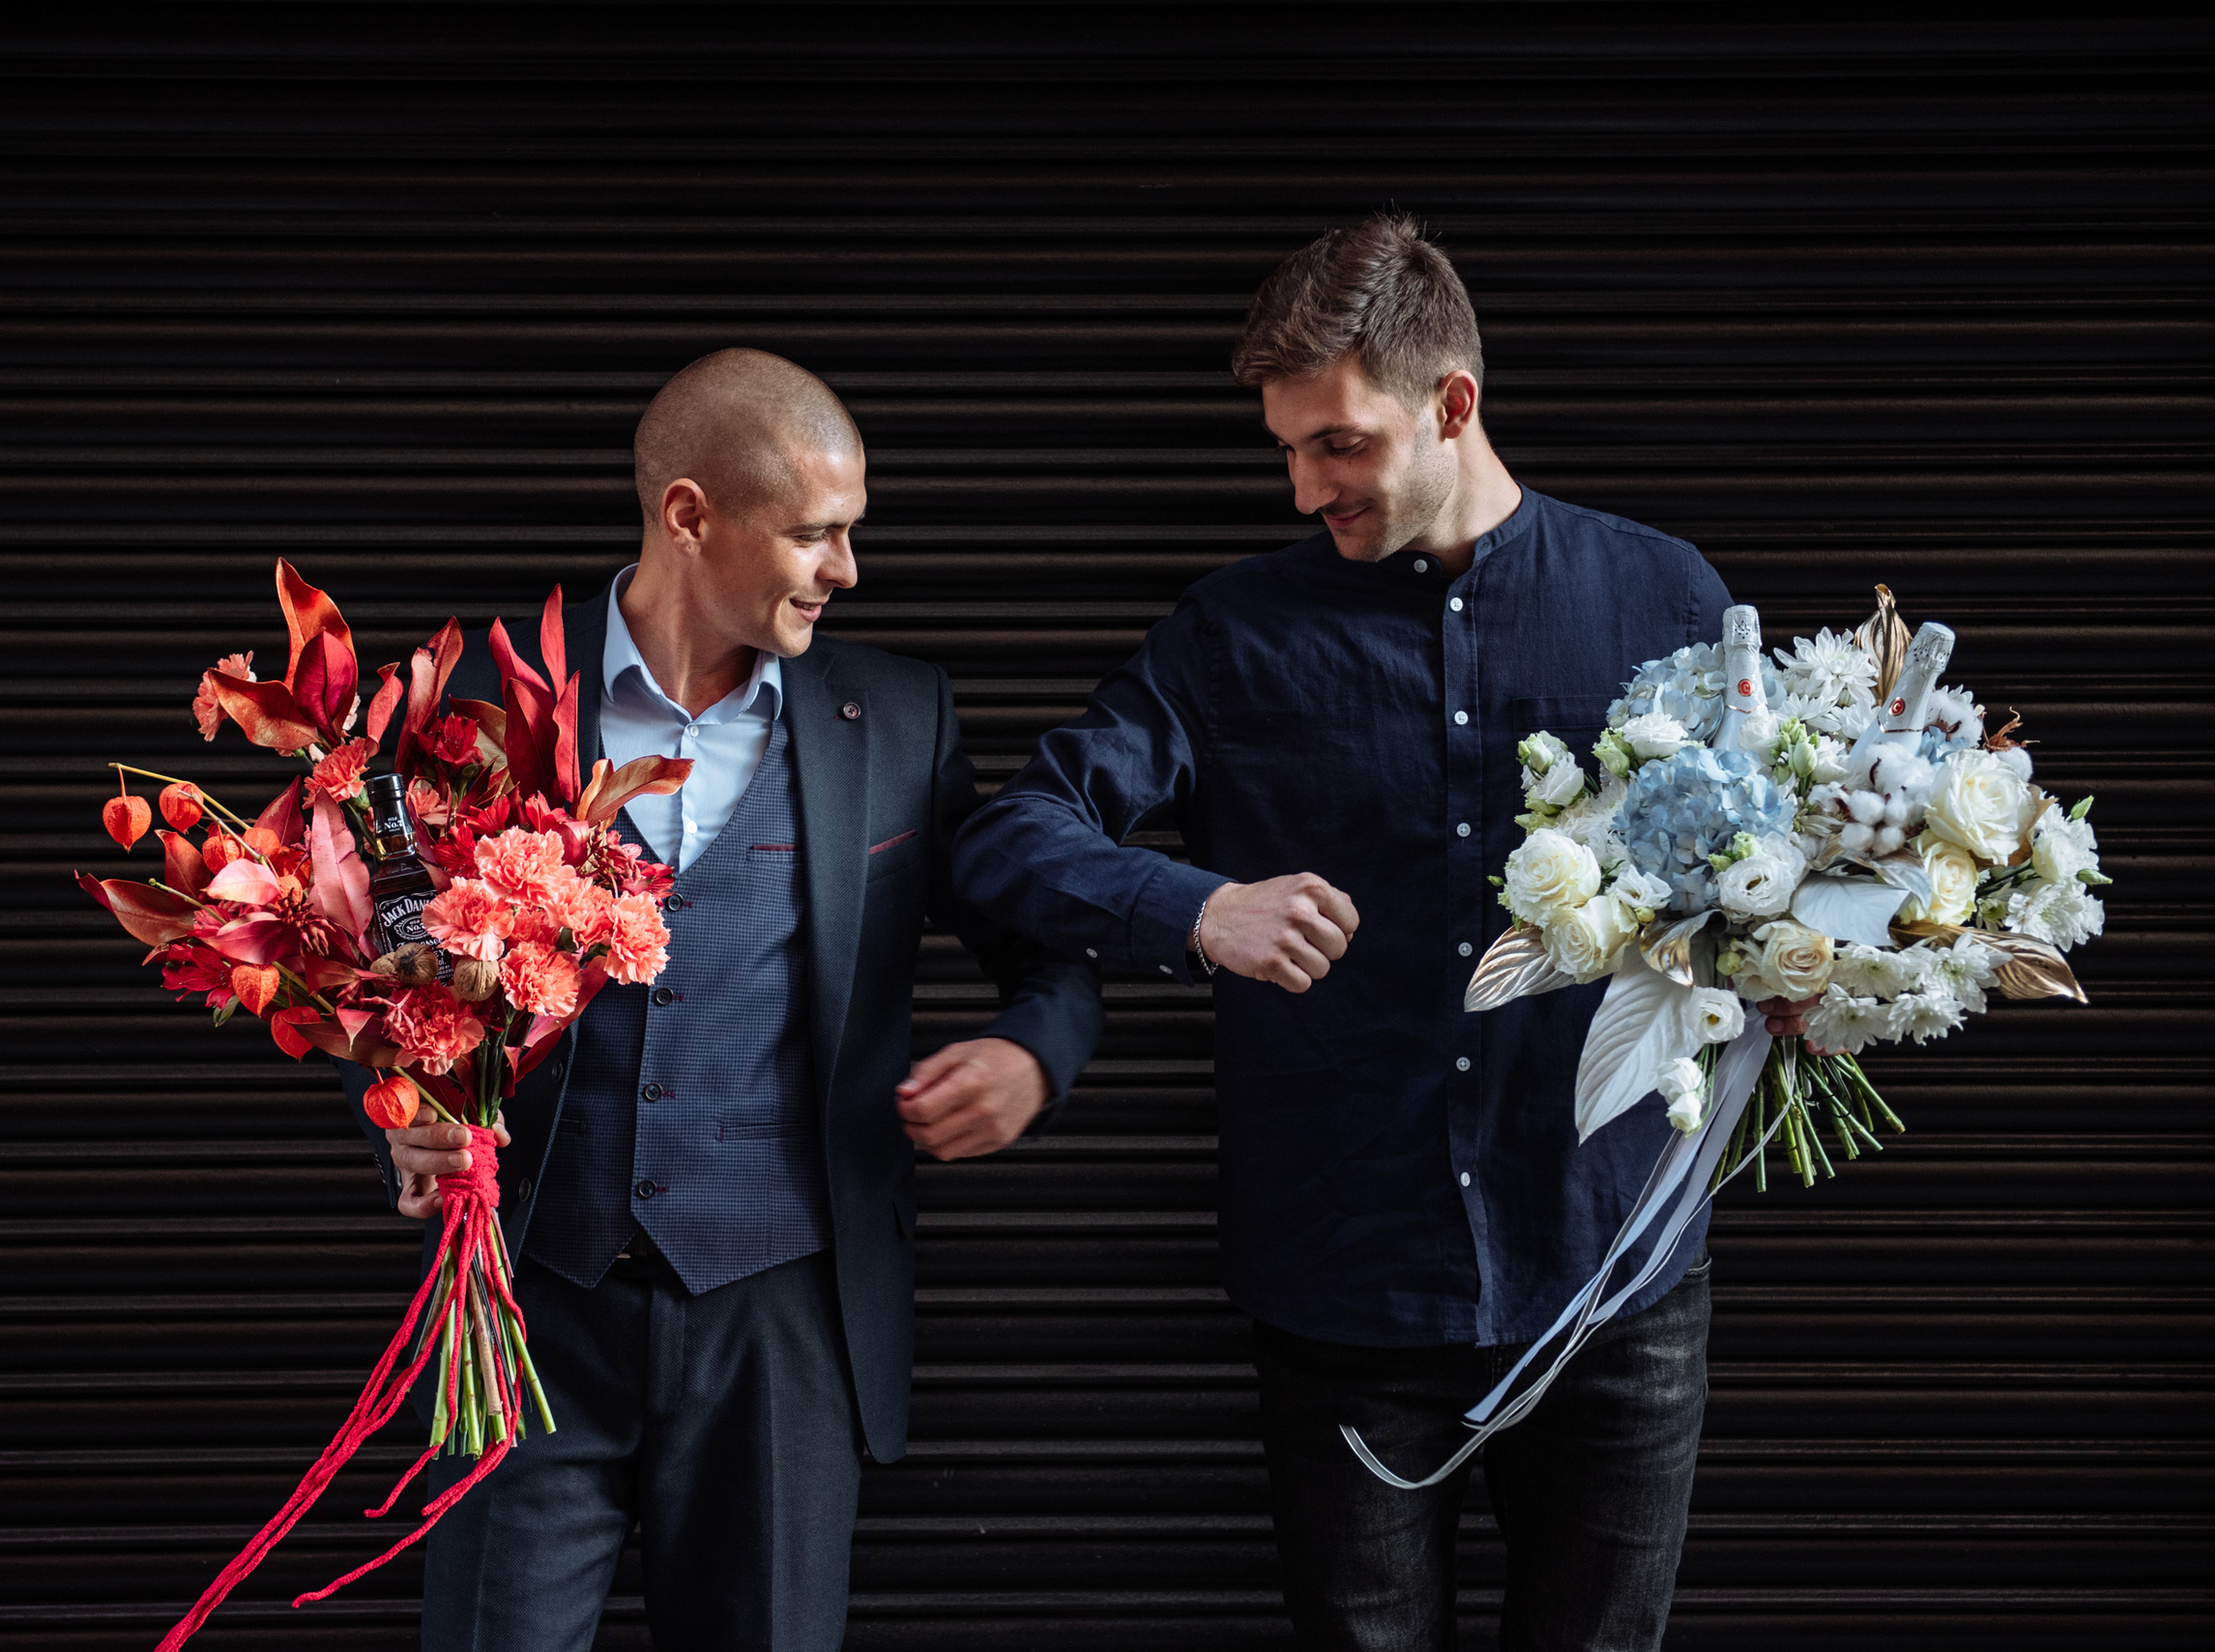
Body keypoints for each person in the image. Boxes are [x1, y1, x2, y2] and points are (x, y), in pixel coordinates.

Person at [953, 216, 1809, 1651]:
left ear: (1451, 404)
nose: (1305, 488)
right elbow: (1009, 835)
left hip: (1615, 1277)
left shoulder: (1665, 595)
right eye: (1288, 450)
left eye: (1337, 445)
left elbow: (1770, 863)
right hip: (1347, 1289)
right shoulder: (1234, 631)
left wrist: (1799, 974)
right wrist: (1197, 906)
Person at [335, 348, 1101, 1652]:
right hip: (527, 1310)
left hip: (784, 1325)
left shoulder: (896, 720)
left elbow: (1048, 952)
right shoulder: (479, 700)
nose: (844, 570)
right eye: (815, 533)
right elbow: (393, 961)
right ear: (690, 514)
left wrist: (1033, 1053)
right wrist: (407, 1107)